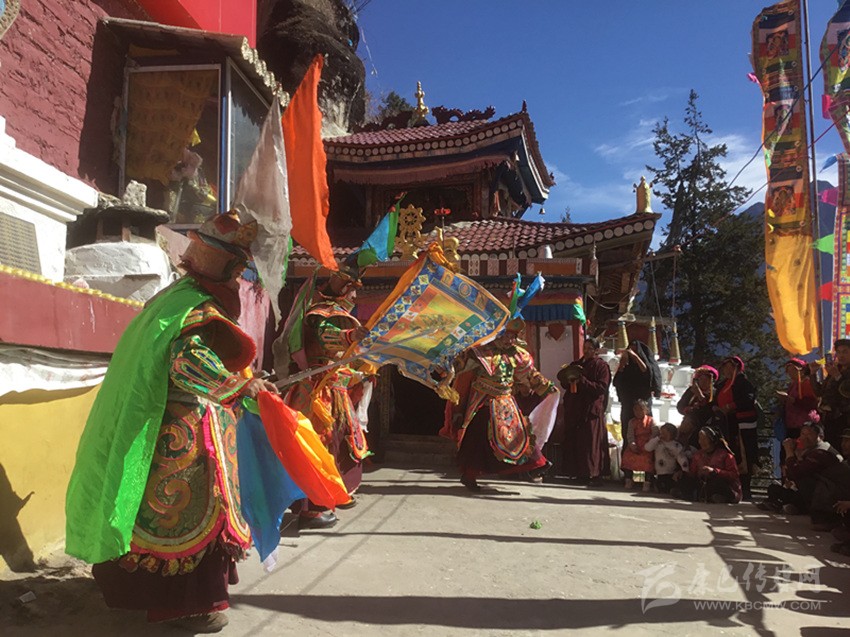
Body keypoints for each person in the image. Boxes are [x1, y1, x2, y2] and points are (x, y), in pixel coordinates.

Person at [65, 211, 278, 633]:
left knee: (149, 510)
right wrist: (237, 386)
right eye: (237, 270)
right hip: (183, 431)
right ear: (228, 268)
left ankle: (142, 594)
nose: (238, 279)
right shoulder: (195, 307)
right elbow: (185, 362)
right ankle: (188, 606)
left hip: (158, 421)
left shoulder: (172, 298)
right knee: (188, 513)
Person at [282, 269, 370, 527]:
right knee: (319, 447)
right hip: (319, 395)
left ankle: (324, 501)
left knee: (335, 448)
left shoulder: (336, 313)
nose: (355, 297)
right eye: (352, 291)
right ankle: (312, 509)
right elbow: (326, 336)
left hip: (332, 391)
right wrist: (349, 336)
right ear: (343, 290)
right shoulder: (322, 314)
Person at [442, 318, 557, 491]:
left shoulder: (517, 355)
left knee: (520, 434)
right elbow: (460, 368)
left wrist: (546, 387)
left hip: (506, 402)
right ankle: (470, 474)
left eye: (512, 336)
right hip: (483, 402)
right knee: (478, 439)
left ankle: (537, 464)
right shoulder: (481, 353)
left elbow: (530, 375)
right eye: (506, 336)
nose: (509, 340)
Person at [756, 421, 842, 516]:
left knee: (794, 490)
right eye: (802, 434)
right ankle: (782, 504)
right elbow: (792, 475)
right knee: (774, 489)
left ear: (820, 437)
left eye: (809, 435)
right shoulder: (811, 450)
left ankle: (793, 506)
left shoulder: (822, 452)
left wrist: (789, 451)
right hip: (814, 491)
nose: (804, 438)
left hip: (826, 495)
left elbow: (797, 473)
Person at [558, 337, 611, 486]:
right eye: (585, 348)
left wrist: (583, 381)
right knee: (575, 441)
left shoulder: (601, 366)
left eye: (590, 349)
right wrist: (568, 379)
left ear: (596, 350)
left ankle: (593, 473)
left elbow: (601, 387)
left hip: (590, 409)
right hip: (575, 408)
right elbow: (565, 384)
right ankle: (576, 473)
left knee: (590, 442)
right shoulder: (576, 365)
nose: (586, 351)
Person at [612, 340, 662, 482]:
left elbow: (648, 374)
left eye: (635, 350)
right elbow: (616, 382)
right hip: (628, 406)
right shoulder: (626, 367)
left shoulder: (646, 366)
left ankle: (648, 476)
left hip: (643, 406)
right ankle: (628, 475)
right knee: (628, 437)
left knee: (648, 438)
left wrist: (635, 357)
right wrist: (622, 365)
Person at [715, 356, 759, 501]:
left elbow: (748, 399)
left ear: (737, 368)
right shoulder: (723, 384)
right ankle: (730, 487)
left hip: (742, 425)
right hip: (727, 424)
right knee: (730, 453)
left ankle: (745, 488)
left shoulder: (743, 383)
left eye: (730, 367)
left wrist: (731, 406)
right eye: (725, 367)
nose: (727, 370)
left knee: (743, 454)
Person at [677, 426, 742, 504]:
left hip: (722, 484)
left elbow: (734, 475)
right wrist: (683, 474)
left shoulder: (726, 455)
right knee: (684, 479)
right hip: (704, 484)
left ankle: (722, 497)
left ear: (712, 439)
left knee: (717, 482)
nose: (701, 442)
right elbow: (692, 473)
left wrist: (715, 471)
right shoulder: (697, 455)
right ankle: (698, 495)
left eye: (704, 439)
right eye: (700, 439)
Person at [811, 339, 850, 448]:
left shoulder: (838, 372)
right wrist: (813, 373)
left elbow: (847, 391)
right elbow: (820, 392)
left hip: (845, 419)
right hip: (828, 419)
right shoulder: (835, 369)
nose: (841, 355)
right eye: (839, 352)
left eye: (845, 352)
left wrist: (838, 377)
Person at [676, 365, 725, 449]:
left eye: (706, 379)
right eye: (701, 379)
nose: (703, 382)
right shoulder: (691, 390)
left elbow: (709, 409)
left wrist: (700, 395)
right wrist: (687, 409)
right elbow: (680, 406)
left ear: (712, 381)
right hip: (688, 425)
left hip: (706, 426)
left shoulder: (715, 393)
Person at [621, 399, 656, 491]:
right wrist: (633, 445)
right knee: (627, 456)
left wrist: (649, 444)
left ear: (646, 410)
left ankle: (647, 481)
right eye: (636, 409)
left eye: (641, 409)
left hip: (647, 445)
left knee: (647, 459)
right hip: (635, 444)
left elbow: (654, 433)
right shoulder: (631, 422)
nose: (638, 412)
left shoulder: (651, 421)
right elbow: (630, 435)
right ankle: (628, 479)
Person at [645, 423, 689, 494]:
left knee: (670, 485)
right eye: (662, 433)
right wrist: (657, 439)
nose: (663, 435)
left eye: (665, 433)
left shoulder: (676, 445)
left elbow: (681, 457)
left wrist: (685, 469)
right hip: (660, 471)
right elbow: (647, 448)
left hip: (671, 471)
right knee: (661, 486)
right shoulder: (658, 443)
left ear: (672, 434)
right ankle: (656, 483)